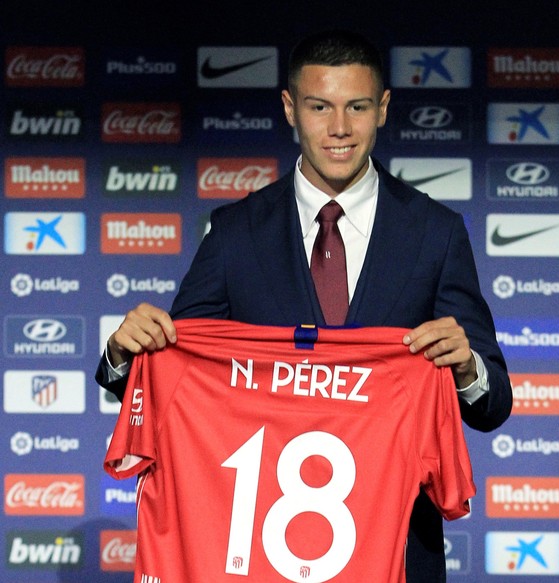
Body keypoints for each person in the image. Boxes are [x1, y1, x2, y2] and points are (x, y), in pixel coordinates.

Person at [96, 29, 512, 582]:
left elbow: (494, 404)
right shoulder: (236, 233)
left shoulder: (435, 234)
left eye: (357, 107)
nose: (339, 128)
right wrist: (128, 355)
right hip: (256, 559)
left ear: (383, 109)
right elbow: (179, 374)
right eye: (320, 107)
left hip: (398, 557)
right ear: (291, 108)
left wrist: (466, 368)